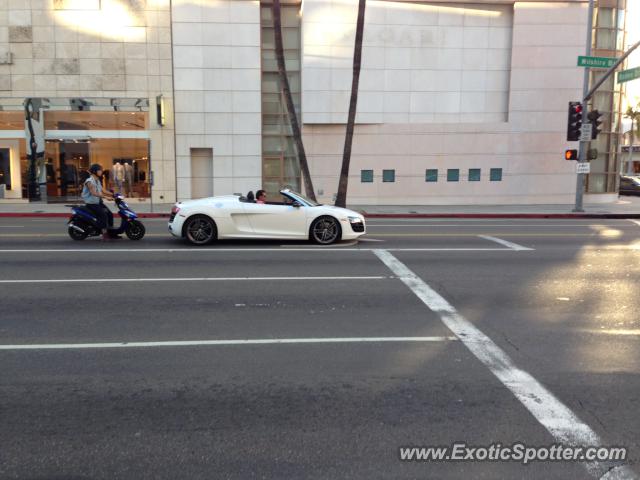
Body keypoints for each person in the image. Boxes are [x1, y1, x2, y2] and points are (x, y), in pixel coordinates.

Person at [81, 164, 117, 241]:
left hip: (98, 202)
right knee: (103, 216)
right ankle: (104, 234)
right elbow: (94, 193)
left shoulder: (97, 181)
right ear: (94, 171)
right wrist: (106, 197)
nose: (101, 171)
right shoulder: (89, 181)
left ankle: (111, 233)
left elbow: (103, 190)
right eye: (99, 170)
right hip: (92, 204)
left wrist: (114, 195)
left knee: (110, 214)